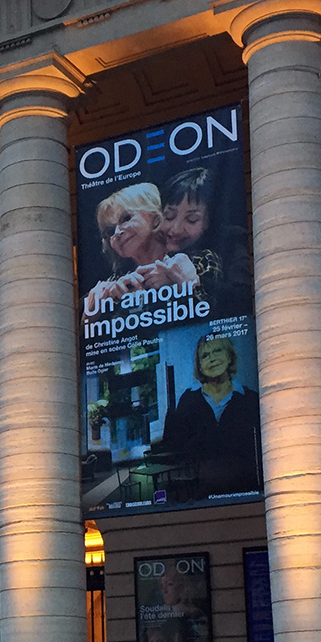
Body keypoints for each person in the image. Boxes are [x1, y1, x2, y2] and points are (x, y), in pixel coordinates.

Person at [159, 334, 262, 498]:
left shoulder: (251, 399)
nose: (212, 359)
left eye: (217, 351)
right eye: (205, 356)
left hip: (246, 493)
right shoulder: (187, 400)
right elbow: (176, 450)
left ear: (229, 356)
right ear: (199, 366)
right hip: (200, 496)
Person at [82, 183, 199, 316]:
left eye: (126, 218)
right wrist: (90, 316)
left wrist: (190, 284)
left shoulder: (199, 262)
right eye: (110, 231)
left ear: (155, 217)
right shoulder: (107, 290)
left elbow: (217, 315)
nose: (117, 232)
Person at [158, 167, 252, 318]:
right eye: (169, 216)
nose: (176, 229)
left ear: (209, 221)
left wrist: (193, 282)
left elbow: (243, 301)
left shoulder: (231, 246)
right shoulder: (144, 249)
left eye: (192, 220)